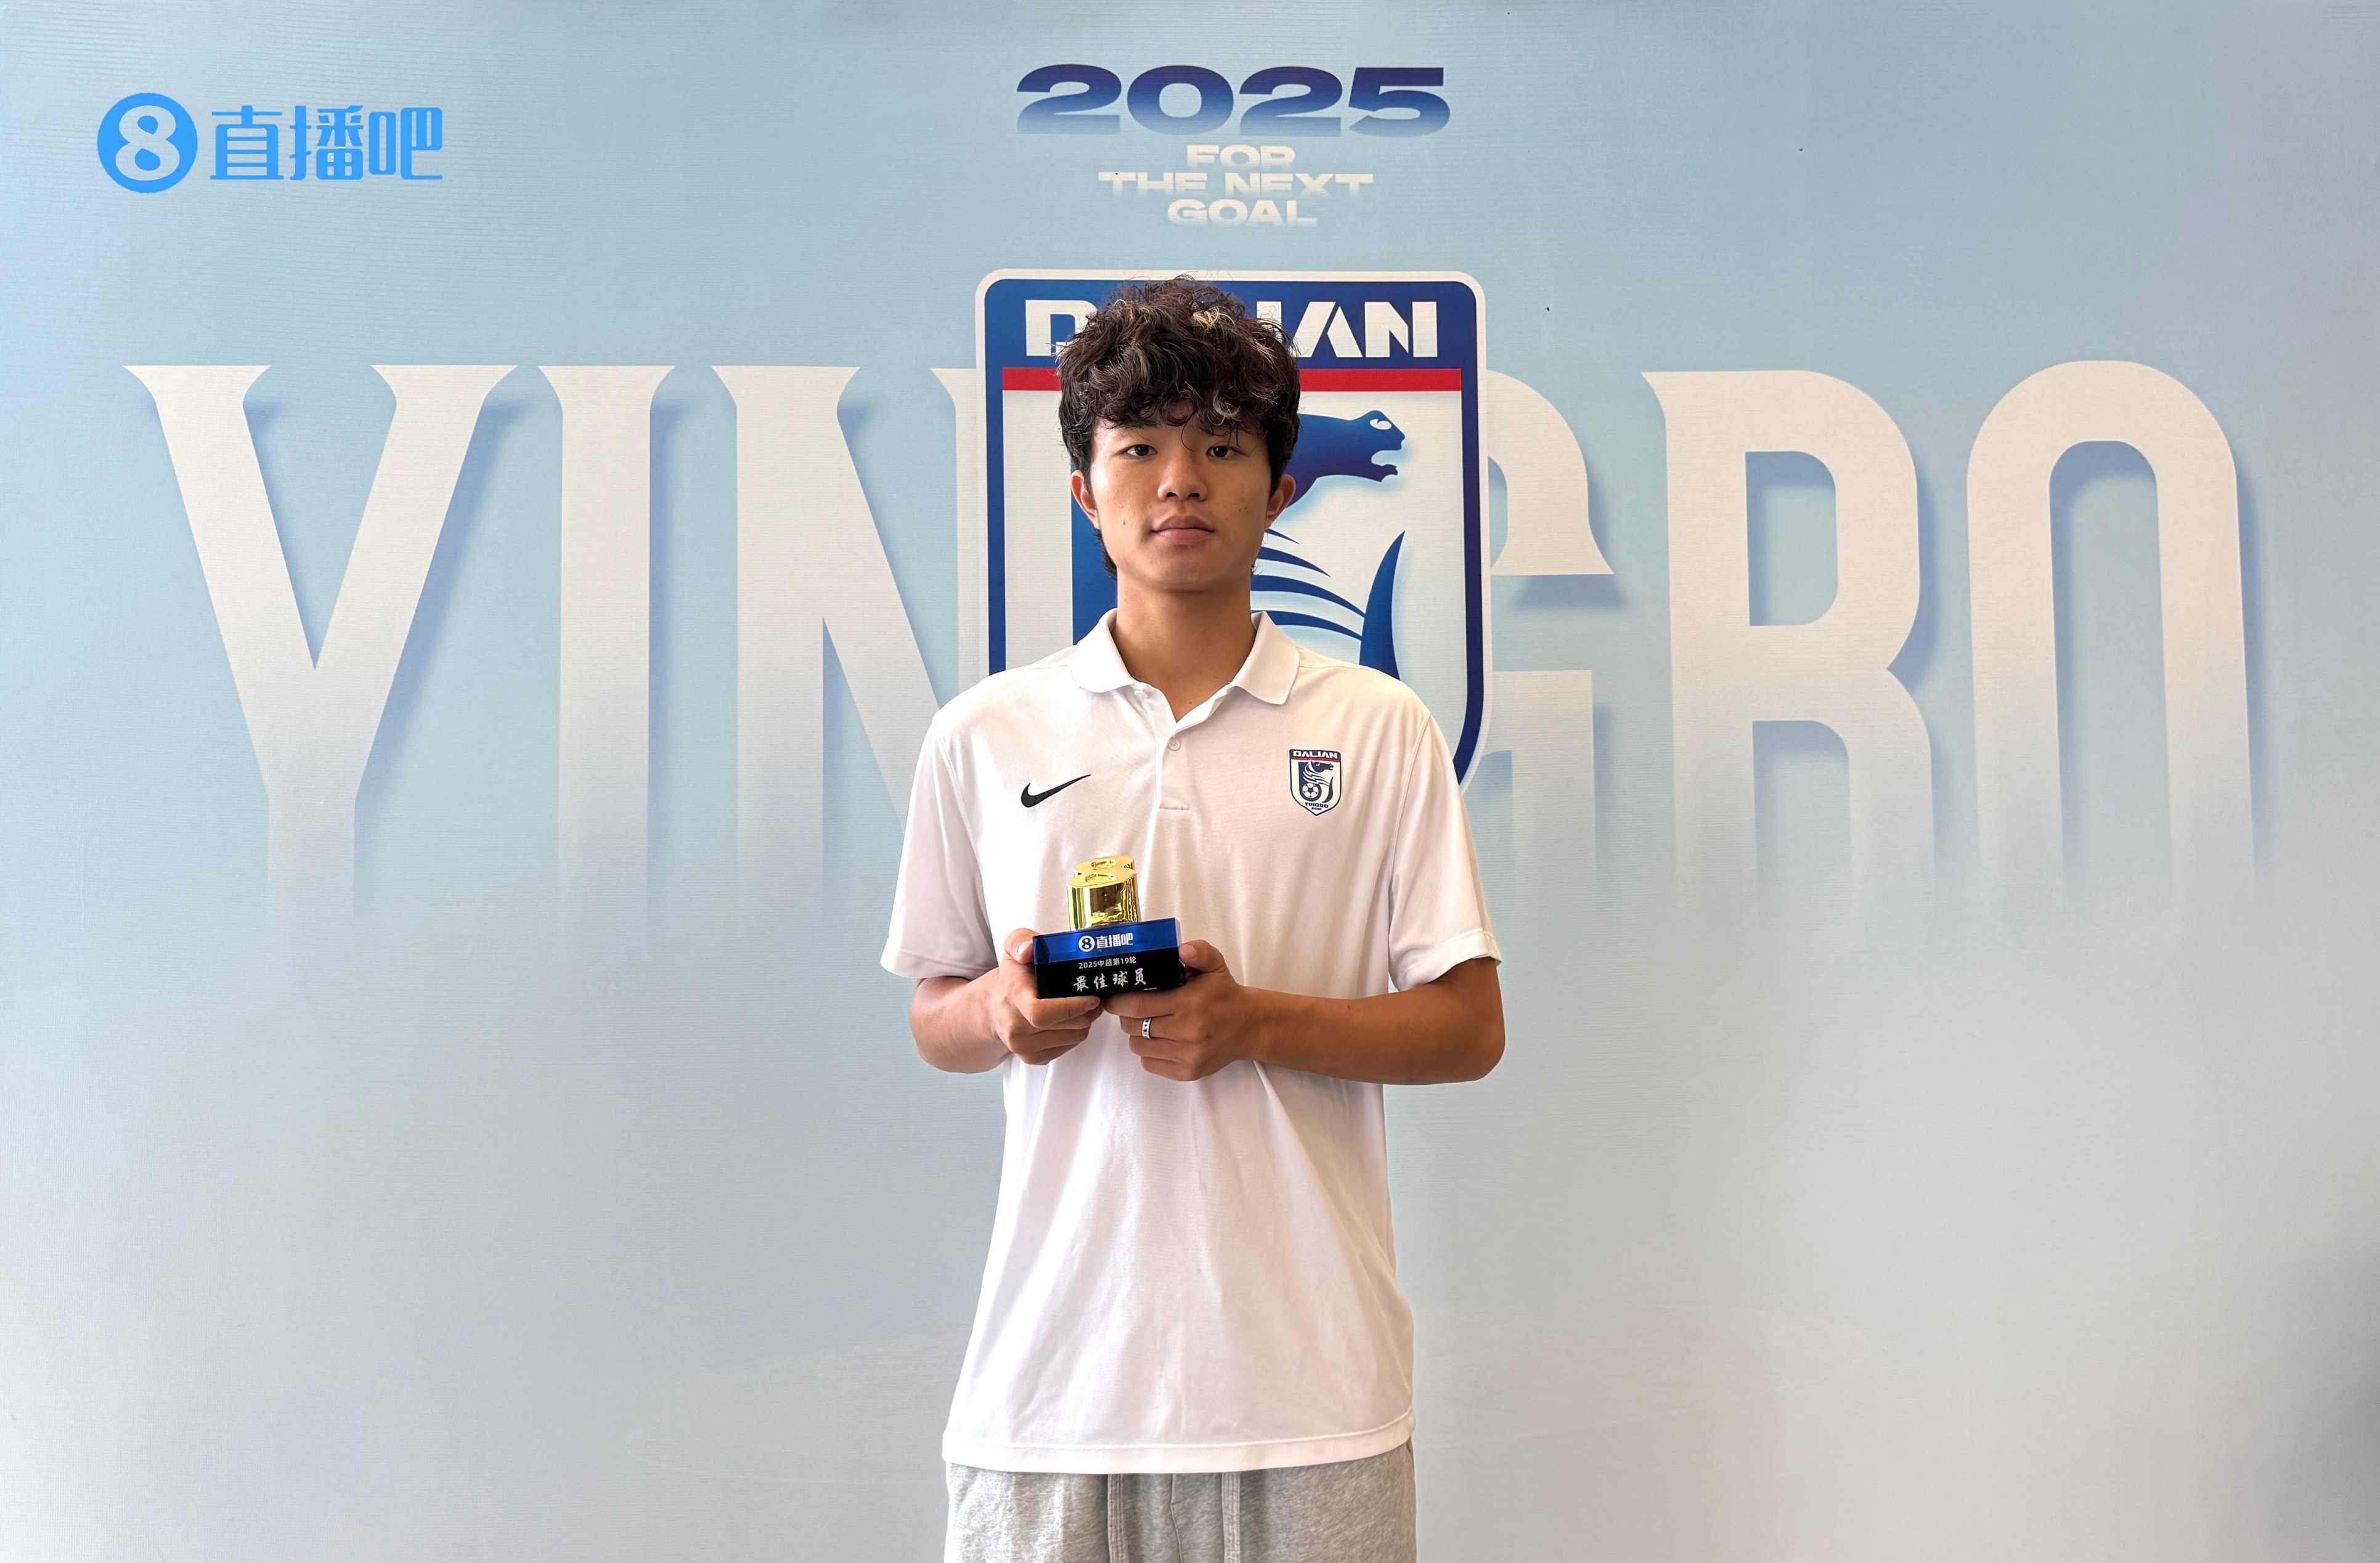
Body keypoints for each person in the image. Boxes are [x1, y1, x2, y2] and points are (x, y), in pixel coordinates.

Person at [882, 277, 1504, 1562]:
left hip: (1312, 1396)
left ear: (1279, 490)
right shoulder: (984, 733)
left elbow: (1466, 1027)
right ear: (1084, 491)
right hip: (1049, 1396)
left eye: (1222, 446)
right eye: (1140, 449)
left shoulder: (1376, 725)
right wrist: (1002, 1010)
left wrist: (1254, 1022)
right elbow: (935, 1016)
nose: (1180, 480)